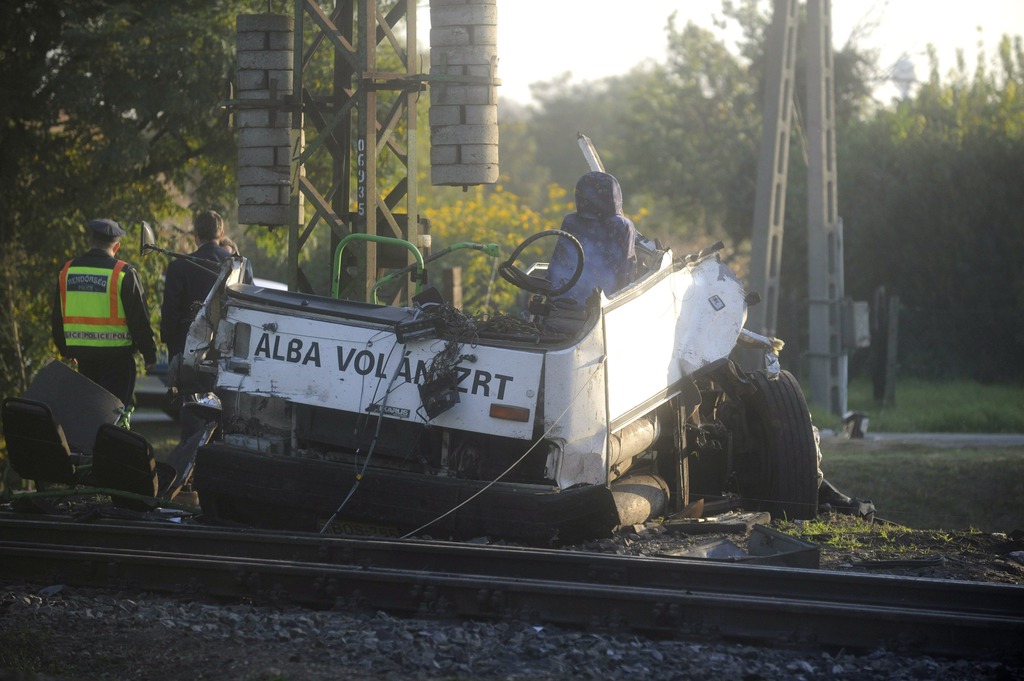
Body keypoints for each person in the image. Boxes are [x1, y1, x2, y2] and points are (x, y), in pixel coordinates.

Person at [51, 218, 158, 410]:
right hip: (117, 361)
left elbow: (57, 316)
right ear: (116, 246)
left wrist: (65, 349)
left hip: (83, 359)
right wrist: (149, 354)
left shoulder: (68, 271)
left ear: (90, 241)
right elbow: (139, 319)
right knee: (114, 416)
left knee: (88, 415)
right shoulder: (123, 272)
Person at [542, 171, 637, 332]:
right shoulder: (622, 226)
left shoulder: (570, 222)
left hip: (560, 309)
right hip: (604, 314)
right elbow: (627, 275)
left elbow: (555, 271)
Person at [160, 210, 232, 360]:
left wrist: (169, 341)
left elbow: (170, 311)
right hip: (225, 349)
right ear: (222, 233)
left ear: (195, 235)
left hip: (186, 347)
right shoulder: (238, 266)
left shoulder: (179, 266)